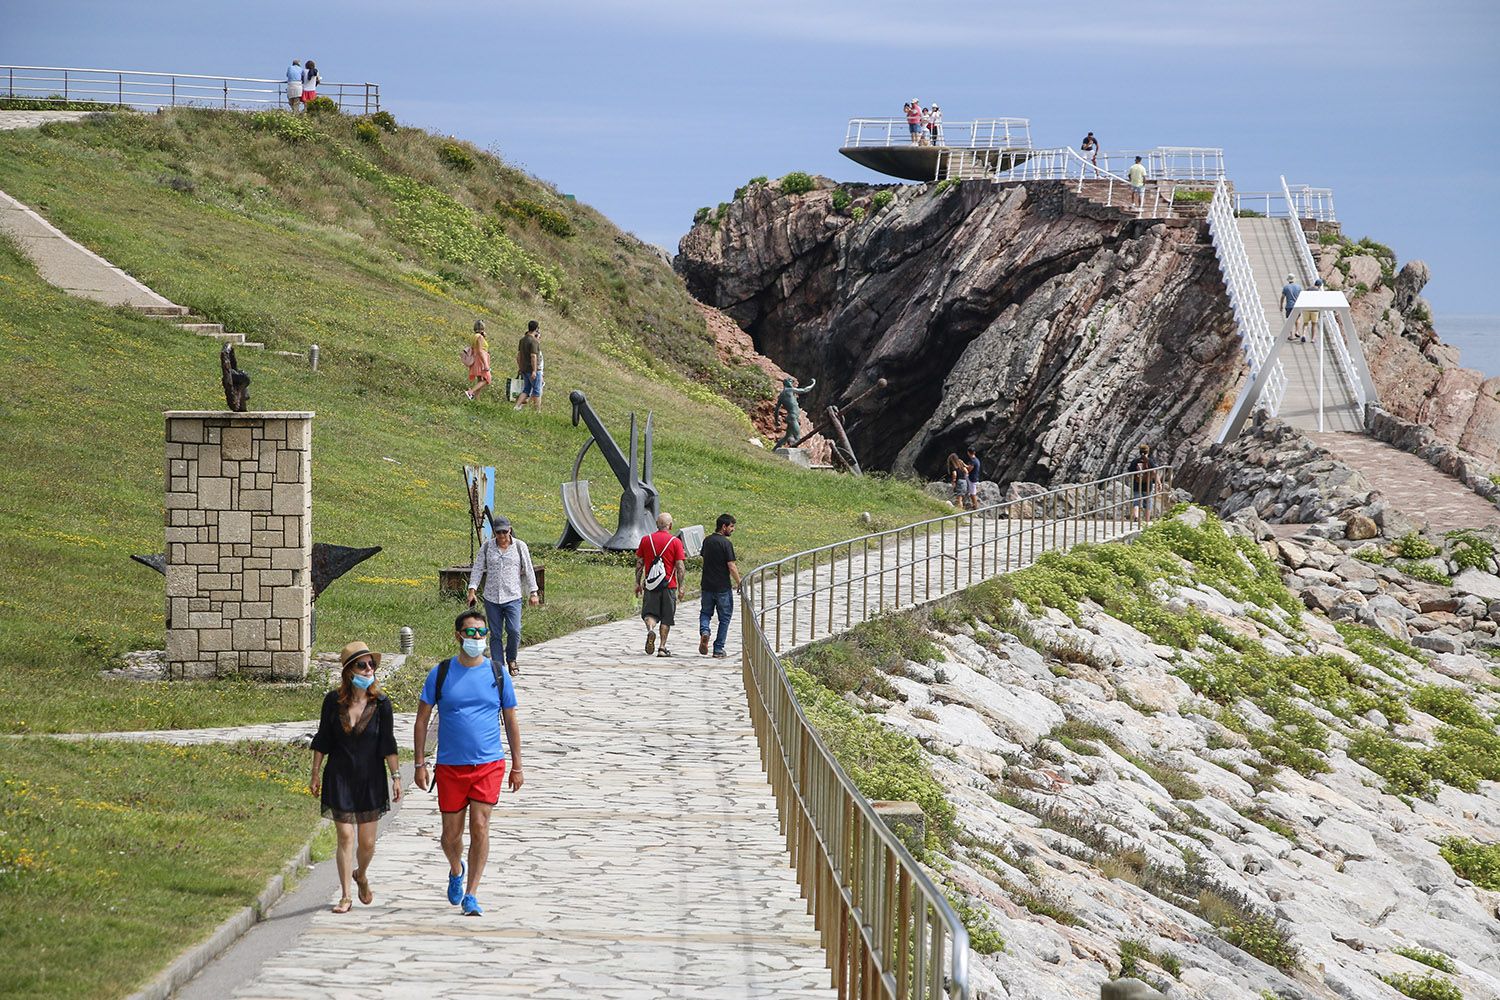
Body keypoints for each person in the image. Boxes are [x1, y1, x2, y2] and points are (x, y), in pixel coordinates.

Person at [413, 610, 524, 918]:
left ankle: (472, 894)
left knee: (480, 826)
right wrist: (420, 763)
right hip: (450, 766)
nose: (476, 638)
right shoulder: (442, 672)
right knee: (450, 836)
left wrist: (517, 764)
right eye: (470, 633)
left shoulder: (497, 673)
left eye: (481, 632)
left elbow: (512, 721)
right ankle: (454, 868)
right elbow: (422, 720)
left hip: (489, 763)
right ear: (458, 636)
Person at [309, 641, 401, 914]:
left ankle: (361, 874)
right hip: (340, 776)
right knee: (346, 836)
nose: (368, 669)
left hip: (371, 778)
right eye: (362, 665)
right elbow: (323, 739)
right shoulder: (331, 702)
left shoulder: (382, 704)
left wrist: (396, 777)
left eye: (371, 664)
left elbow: (388, 743)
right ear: (349, 671)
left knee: (367, 843)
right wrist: (315, 773)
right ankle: (345, 896)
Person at [466, 514, 539, 677]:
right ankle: (498, 667)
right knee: (495, 633)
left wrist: (533, 592)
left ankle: (512, 658)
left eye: (505, 532)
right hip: (492, 597)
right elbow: (478, 569)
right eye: (499, 533)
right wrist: (472, 590)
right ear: (494, 533)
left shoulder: (520, 546)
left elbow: (528, 569)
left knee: (514, 630)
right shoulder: (487, 547)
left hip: (513, 596)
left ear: (510, 530)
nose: (502, 536)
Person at [635, 512, 687, 657]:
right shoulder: (675, 542)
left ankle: (650, 629)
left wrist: (637, 583)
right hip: (669, 585)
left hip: (651, 585)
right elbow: (680, 566)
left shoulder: (646, 540)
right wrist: (681, 586)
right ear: (670, 525)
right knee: (666, 617)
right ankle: (662, 647)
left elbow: (639, 564)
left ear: (656, 525)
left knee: (649, 613)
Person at [698, 513, 740, 659]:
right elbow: (731, 566)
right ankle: (718, 649)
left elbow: (704, 557)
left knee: (705, 613)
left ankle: (705, 632)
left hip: (707, 585)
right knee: (725, 618)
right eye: (731, 526)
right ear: (724, 526)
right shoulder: (726, 544)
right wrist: (739, 583)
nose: (733, 529)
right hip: (722, 587)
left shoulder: (707, 541)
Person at [773, 376, 817, 449]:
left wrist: (776, 420)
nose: (792, 382)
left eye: (792, 381)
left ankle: (774, 450)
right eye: (790, 381)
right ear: (785, 382)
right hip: (792, 417)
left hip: (791, 417)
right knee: (797, 437)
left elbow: (777, 409)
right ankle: (795, 453)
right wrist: (813, 383)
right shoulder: (789, 390)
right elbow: (804, 390)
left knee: (787, 437)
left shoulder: (781, 395)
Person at [515, 320, 541, 412]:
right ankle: (537, 411)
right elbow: (533, 356)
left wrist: (520, 367)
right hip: (532, 370)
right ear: (536, 329)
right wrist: (534, 370)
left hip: (524, 369)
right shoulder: (534, 341)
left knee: (526, 389)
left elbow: (518, 356)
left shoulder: (522, 340)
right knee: (537, 391)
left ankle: (516, 407)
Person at [1128, 444, 1157, 522]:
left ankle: (1136, 516)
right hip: (1147, 485)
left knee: (1136, 500)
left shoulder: (1135, 461)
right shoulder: (1150, 461)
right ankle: (1147, 519)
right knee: (1148, 501)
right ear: (1148, 452)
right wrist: (1159, 483)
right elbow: (1154, 472)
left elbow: (1130, 471)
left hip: (1137, 484)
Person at [464, 320, 492, 400]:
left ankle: (477, 399)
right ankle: (470, 392)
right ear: (483, 328)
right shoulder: (479, 337)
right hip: (480, 360)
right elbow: (480, 350)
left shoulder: (474, 336)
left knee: (480, 379)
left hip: (475, 359)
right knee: (487, 379)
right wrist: (485, 364)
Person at [1281, 274, 1303, 342]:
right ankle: (1297, 331)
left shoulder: (1286, 287)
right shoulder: (1298, 287)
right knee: (1297, 319)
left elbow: (1282, 297)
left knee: (1289, 321)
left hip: (1289, 306)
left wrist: (1281, 305)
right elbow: (1301, 297)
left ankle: (1291, 335)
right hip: (1297, 305)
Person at [963, 445, 983, 511]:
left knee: (973, 493)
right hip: (974, 477)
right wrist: (963, 464)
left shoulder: (973, 461)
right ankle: (974, 505)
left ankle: (975, 507)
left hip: (972, 478)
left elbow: (969, 469)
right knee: (972, 493)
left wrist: (963, 468)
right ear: (974, 452)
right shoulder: (976, 460)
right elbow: (969, 467)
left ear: (968, 452)